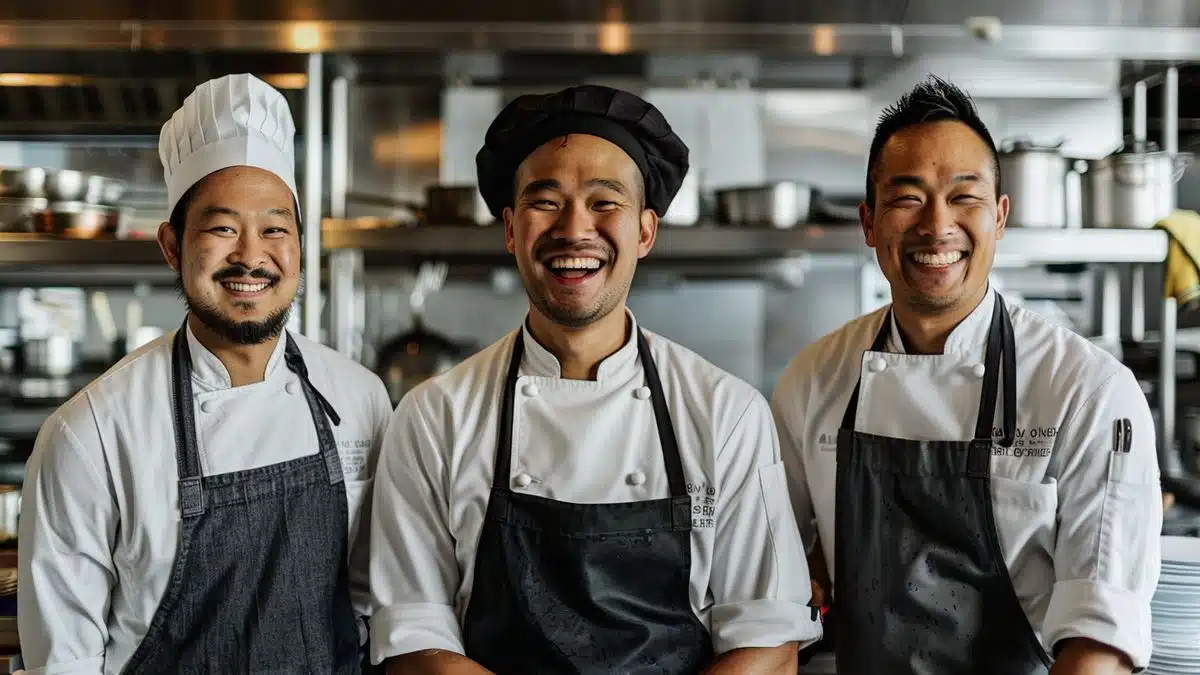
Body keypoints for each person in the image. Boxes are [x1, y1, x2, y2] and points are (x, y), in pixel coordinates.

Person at [368, 84, 821, 674]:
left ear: (645, 232)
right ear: (510, 229)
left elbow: (767, 642)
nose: (574, 228)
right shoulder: (435, 417)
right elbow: (413, 640)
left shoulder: (726, 412)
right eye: (545, 201)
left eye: (605, 202)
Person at [771, 75, 1162, 675]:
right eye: (907, 198)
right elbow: (773, 583)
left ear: (999, 218)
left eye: (964, 197)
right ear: (869, 222)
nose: (936, 226)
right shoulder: (814, 380)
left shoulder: (1088, 391)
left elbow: (1098, 644)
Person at [17, 74, 392, 674]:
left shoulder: (359, 397)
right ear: (172, 244)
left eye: (275, 228)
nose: (250, 255)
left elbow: (377, 607)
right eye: (221, 228)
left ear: (300, 244)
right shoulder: (90, 434)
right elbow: (65, 663)